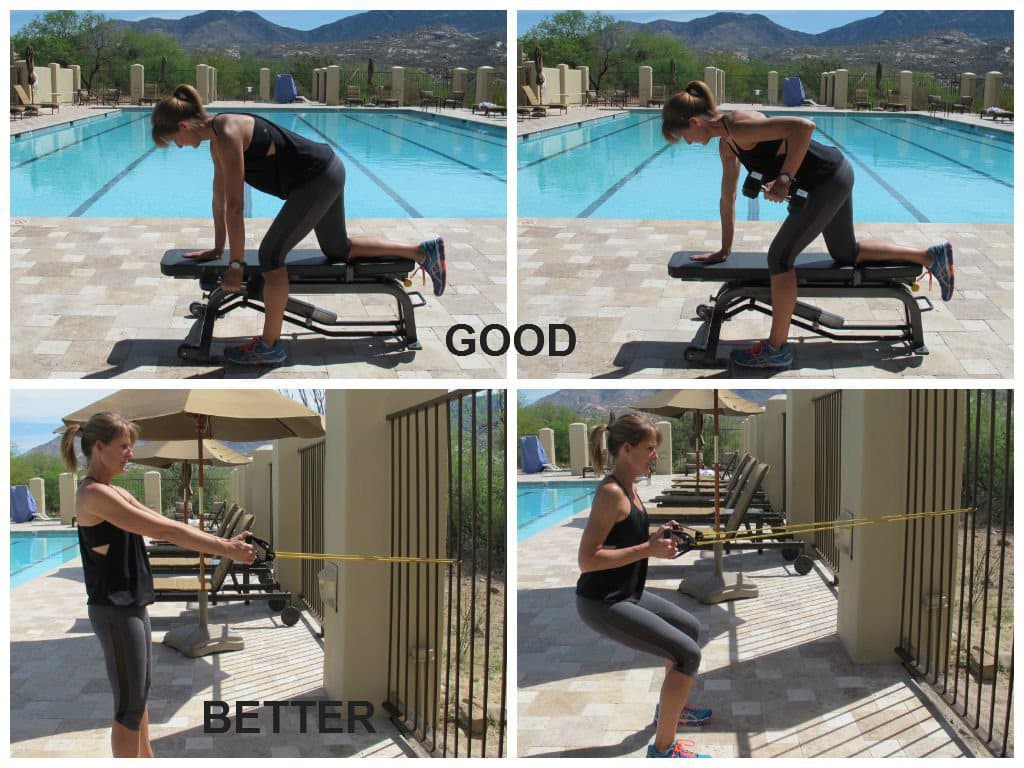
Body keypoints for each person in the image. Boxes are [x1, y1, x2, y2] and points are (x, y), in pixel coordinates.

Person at [661, 80, 955, 369]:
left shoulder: (739, 126)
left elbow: (803, 127)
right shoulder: (728, 145)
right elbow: (728, 197)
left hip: (827, 180)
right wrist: (724, 250)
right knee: (846, 253)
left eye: (683, 135)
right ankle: (931, 256)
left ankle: (777, 349)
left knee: (779, 257)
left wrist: (784, 179)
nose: (687, 142)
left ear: (695, 122)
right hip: (834, 174)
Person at [150, 85, 446, 366]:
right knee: (338, 249)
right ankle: (422, 252)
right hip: (326, 169)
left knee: (270, 255)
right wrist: (218, 249)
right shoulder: (217, 140)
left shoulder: (227, 133)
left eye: (174, 140)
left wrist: (237, 266)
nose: (178, 146)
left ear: (184, 126)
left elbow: (236, 207)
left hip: (317, 178)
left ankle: (270, 346)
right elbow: (219, 198)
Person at [61, 412, 258, 757]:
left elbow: (165, 522)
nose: (130, 453)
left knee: (138, 698)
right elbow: (163, 531)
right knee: (128, 707)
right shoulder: (94, 495)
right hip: (114, 611)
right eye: (124, 446)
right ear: (99, 447)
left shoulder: (114, 491)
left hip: (132, 607)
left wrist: (223, 541)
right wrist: (226, 549)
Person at [576, 415, 712, 759]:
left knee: (690, 629)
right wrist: (647, 549)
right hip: (602, 602)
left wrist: (658, 536)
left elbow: (627, 537)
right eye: (650, 448)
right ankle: (663, 749)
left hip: (627, 593)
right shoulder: (611, 493)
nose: (655, 455)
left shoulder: (632, 488)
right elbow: (587, 560)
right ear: (627, 448)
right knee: (688, 655)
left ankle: (672, 710)